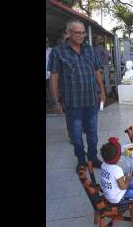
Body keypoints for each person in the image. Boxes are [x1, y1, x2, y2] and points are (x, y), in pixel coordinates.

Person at [48, 19, 106, 172]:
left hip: (91, 100)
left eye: (83, 33)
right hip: (73, 103)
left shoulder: (89, 50)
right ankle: (81, 160)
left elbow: (96, 72)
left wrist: (102, 91)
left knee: (92, 134)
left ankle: (93, 158)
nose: (81, 35)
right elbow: (54, 77)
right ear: (68, 33)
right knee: (76, 136)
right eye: (77, 32)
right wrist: (55, 101)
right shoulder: (58, 52)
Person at [46, 37, 52, 106]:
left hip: (50, 75)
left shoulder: (52, 50)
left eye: (46, 42)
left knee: (50, 92)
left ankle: (51, 106)